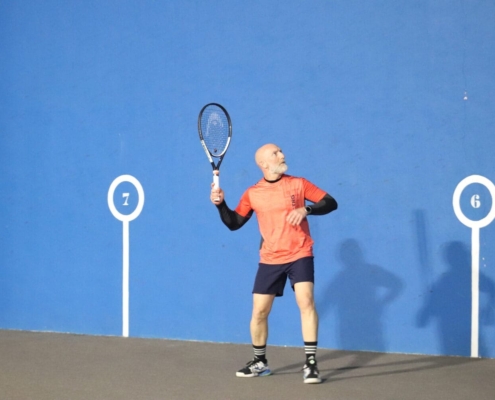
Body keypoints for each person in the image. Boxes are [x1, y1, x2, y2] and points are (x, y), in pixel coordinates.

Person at [210, 143, 338, 384]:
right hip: (270, 259)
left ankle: (311, 363)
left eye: (281, 151)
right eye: (276, 153)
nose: (282, 155)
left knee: (306, 302)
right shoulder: (253, 193)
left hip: (300, 253)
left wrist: (306, 209)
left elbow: (330, 202)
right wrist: (220, 205)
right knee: (259, 312)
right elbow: (234, 223)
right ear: (264, 164)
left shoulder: (298, 183)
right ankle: (260, 362)